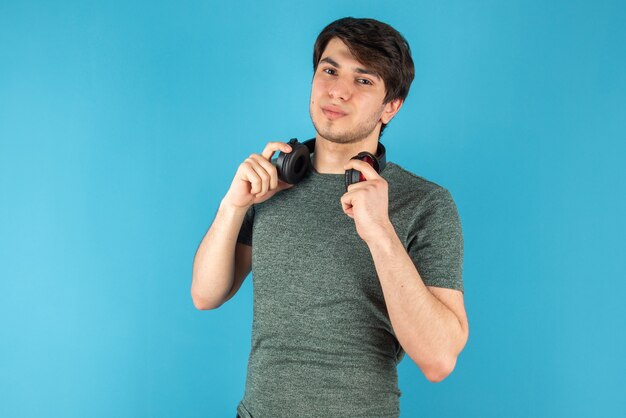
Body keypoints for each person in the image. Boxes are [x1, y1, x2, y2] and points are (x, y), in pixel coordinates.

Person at [191, 17, 469, 418]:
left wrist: (380, 233)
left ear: (390, 106)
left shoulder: (425, 203)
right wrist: (233, 206)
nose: (337, 90)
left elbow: (439, 359)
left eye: (364, 80)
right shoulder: (271, 182)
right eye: (330, 70)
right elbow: (205, 294)